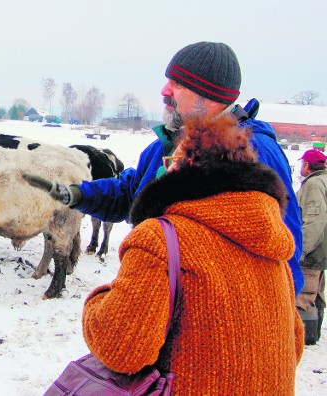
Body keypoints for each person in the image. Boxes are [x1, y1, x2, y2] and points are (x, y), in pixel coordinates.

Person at [25, 41, 304, 295]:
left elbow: (283, 247)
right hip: (161, 296)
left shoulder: (253, 152)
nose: (164, 90)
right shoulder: (167, 145)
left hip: (217, 316)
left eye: (177, 84)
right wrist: (75, 195)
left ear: (208, 96)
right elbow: (130, 192)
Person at [80, 114, 304, 394]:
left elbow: (122, 348)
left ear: (185, 168)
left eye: (170, 162)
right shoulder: (274, 247)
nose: (166, 171)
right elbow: (294, 346)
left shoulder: (160, 238)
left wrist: (99, 300)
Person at [295, 149, 327, 345]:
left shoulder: (314, 184)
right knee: (318, 292)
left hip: (313, 249)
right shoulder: (323, 180)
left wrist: (302, 250)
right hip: (323, 247)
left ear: (307, 165)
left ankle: (306, 337)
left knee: (305, 293)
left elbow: (315, 220)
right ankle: (315, 331)